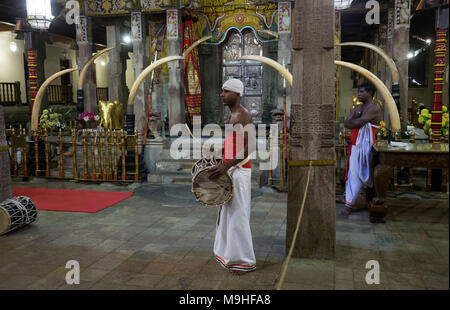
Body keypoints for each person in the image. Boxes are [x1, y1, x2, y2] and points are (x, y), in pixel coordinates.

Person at [208, 78, 256, 275]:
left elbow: (250, 146)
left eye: (226, 91)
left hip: (240, 170)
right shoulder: (232, 115)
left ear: (237, 94)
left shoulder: (244, 115)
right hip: (231, 169)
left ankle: (244, 259)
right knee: (227, 215)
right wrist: (220, 152)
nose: (222, 94)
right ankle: (227, 254)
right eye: (222, 91)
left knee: (238, 215)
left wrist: (227, 164)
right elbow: (235, 142)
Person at [338, 82, 381, 216]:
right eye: (358, 92)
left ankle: (349, 205)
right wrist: (354, 121)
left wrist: (355, 121)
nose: (358, 94)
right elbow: (347, 123)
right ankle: (348, 200)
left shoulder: (374, 108)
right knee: (352, 173)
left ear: (370, 93)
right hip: (355, 144)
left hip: (366, 145)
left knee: (356, 173)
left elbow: (357, 122)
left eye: (361, 92)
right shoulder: (357, 107)